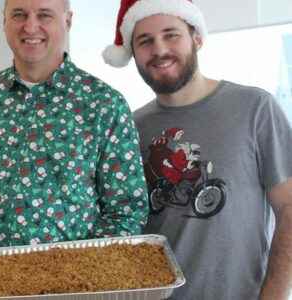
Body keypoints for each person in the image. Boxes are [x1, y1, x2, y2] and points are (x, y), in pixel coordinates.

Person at [0, 0, 149, 278]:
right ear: (4, 21)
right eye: (19, 15)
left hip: (77, 288)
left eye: (44, 15)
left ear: (68, 21)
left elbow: (126, 208)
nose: (30, 26)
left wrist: (87, 275)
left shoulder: (104, 104)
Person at [103, 0, 292, 299]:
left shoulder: (255, 109)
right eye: (145, 41)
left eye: (171, 34)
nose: (159, 49)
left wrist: (275, 295)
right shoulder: (128, 128)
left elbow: (289, 208)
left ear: (197, 38)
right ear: (133, 53)